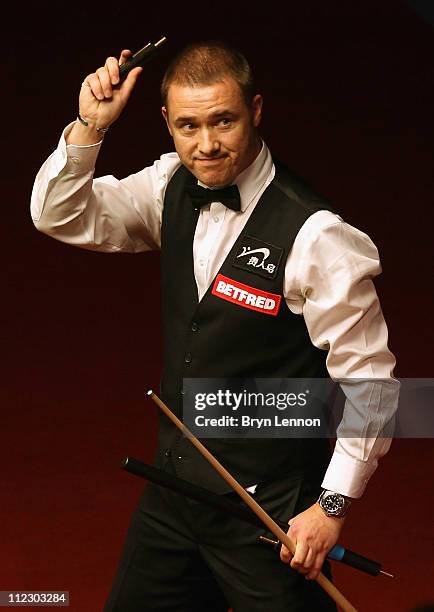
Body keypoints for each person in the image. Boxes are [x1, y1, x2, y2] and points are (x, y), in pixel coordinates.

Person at [31, 41, 398, 611]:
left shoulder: (316, 235)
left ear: (255, 109)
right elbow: (61, 215)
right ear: (166, 123)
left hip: (270, 515)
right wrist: (89, 126)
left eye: (223, 120)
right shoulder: (169, 184)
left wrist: (331, 508)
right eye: (188, 125)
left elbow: (372, 384)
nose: (206, 144)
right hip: (174, 494)